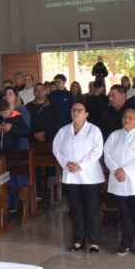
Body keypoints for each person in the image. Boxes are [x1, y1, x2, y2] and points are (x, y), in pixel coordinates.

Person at [53, 102, 105, 253]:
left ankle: (94, 241)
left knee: (91, 209)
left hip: (90, 176)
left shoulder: (94, 130)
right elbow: (56, 149)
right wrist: (66, 163)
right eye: (74, 110)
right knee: (75, 209)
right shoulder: (63, 131)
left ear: (86, 114)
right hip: (71, 175)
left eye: (80, 110)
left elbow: (97, 151)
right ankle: (78, 240)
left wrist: (80, 165)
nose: (76, 113)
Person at [104, 108, 135, 257]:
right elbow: (107, 154)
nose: (127, 120)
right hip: (119, 180)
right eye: (125, 117)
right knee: (124, 213)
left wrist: (124, 170)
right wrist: (116, 170)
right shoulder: (114, 135)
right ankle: (126, 243)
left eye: (131, 118)